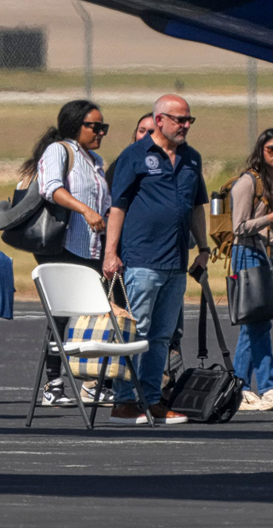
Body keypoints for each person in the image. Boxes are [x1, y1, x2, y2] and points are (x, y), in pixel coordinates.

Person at [103, 94, 209, 425]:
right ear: (160, 120)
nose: (186, 125)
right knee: (136, 332)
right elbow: (117, 207)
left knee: (162, 335)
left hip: (176, 262)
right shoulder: (134, 156)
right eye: (180, 119)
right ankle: (124, 401)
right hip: (141, 260)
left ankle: (152, 400)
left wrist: (203, 248)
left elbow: (196, 207)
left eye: (189, 120)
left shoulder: (192, 159)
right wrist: (110, 252)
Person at [19, 100, 112, 407]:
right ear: (75, 126)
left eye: (103, 128)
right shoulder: (60, 150)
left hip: (92, 248)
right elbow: (51, 187)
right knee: (61, 317)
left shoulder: (95, 159)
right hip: (65, 245)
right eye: (94, 127)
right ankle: (52, 385)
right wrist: (85, 209)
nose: (100, 132)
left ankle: (93, 382)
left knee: (97, 314)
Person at [230, 128, 273, 412]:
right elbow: (239, 227)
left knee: (253, 325)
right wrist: (272, 217)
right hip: (249, 253)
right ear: (261, 151)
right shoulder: (248, 182)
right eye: (272, 148)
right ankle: (267, 387)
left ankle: (239, 387)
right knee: (258, 323)